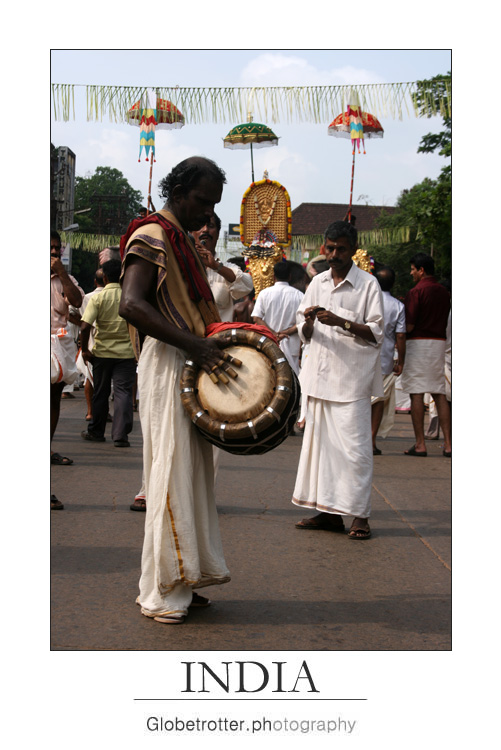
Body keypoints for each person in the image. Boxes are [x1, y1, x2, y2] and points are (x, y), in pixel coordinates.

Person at [119, 156, 239, 624]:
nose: (207, 214)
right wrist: (197, 347)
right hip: (170, 360)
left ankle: (185, 577)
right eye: (202, 202)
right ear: (179, 190)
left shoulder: (182, 240)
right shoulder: (151, 235)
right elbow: (131, 304)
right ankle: (162, 593)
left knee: (192, 475)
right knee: (169, 474)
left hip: (189, 360)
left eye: (213, 206)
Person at [292, 220, 384, 540]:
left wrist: (341, 322)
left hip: (351, 380)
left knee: (355, 452)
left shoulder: (368, 284)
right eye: (330, 248)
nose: (334, 255)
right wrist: (308, 322)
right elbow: (305, 335)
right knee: (325, 452)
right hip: (320, 378)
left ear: (353, 250)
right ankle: (329, 514)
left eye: (341, 249)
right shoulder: (316, 282)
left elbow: (376, 334)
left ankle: (360, 516)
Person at [80, 259, 137, 446]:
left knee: (101, 393)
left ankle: (97, 431)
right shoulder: (129, 296)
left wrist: (85, 350)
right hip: (126, 354)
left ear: (104, 278)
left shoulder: (98, 298)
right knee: (123, 394)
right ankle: (120, 435)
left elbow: (85, 326)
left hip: (102, 353)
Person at [400, 253, 451, 458]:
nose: (411, 273)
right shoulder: (443, 292)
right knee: (439, 393)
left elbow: (410, 324)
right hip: (438, 343)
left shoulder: (416, 292)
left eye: (413, 269)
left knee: (417, 393)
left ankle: (420, 443)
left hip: (418, 343)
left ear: (421, 270)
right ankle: (449, 444)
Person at [50, 230, 84, 509]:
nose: (53, 252)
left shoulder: (65, 279)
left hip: (56, 350)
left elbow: (76, 302)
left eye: (57, 248)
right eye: (49, 248)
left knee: (52, 403)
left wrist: (60, 272)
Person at [371, 266, 406, 455]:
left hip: (365, 356)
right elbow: (400, 336)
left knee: (363, 399)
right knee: (378, 400)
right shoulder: (398, 306)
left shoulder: (367, 301)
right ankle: (372, 439)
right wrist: (401, 360)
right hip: (385, 359)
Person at [192, 214, 253, 322]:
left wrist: (216, 266)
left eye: (210, 226)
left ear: (217, 233)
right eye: (201, 225)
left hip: (218, 337)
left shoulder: (225, 267)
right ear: (191, 233)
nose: (205, 229)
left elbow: (246, 285)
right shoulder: (183, 265)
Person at [251, 260, 305, 375]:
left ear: (273, 276)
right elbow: (303, 321)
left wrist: (274, 334)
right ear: (290, 276)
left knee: (271, 376)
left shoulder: (264, 293)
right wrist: (285, 332)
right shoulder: (299, 296)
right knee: (292, 379)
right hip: (291, 346)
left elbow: (256, 318)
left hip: (269, 343)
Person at [78, 267, 105, 421]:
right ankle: (97, 411)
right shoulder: (117, 295)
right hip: (106, 341)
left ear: (95, 281)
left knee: (90, 376)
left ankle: (91, 411)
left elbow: (78, 318)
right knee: (102, 379)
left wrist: (83, 344)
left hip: (89, 339)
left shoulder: (87, 297)